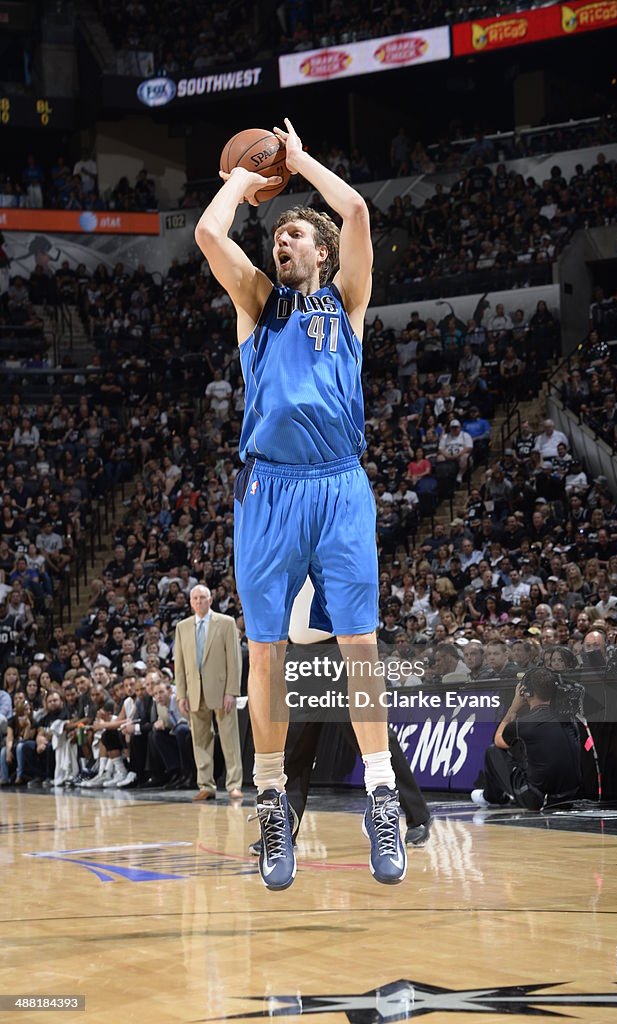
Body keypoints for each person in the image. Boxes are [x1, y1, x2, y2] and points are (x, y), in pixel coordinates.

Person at [195, 118, 406, 890]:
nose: (281, 244)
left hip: (341, 485)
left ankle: (382, 795)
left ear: (317, 251)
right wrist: (240, 186)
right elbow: (209, 238)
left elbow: (354, 213)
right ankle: (274, 801)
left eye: (292, 237)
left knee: (359, 648)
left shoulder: (348, 302)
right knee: (267, 655)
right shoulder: (259, 303)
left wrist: (301, 162)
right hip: (270, 488)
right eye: (275, 236)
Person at [471, 666, 581, 811]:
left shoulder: (522, 725)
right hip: (571, 796)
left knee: (493, 751)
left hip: (537, 799)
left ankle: (491, 796)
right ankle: (494, 795)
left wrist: (513, 708)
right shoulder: (569, 720)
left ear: (525, 692)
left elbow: (498, 739)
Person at [173, 584, 243, 802]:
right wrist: (181, 694)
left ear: (210, 600)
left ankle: (234, 785)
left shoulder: (225, 622)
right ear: (190, 602)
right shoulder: (182, 627)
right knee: (200, 740)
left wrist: (232, 690)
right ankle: (206, 785)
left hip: (221, 690)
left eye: (202, 597)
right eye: (194, 598)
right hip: (195, 690)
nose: (198, 601)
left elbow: (234, 658)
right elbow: (180, 664)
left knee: (229, 739)